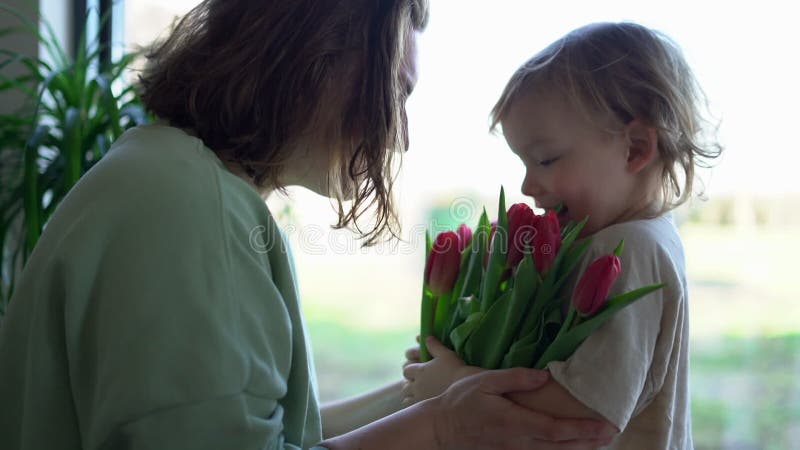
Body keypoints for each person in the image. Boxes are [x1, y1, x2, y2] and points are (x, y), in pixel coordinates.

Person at [0, 1, 617, 449]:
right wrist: (442, 427)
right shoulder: (186, 208)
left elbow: (278, 430)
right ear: (318, 58)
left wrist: (428, 396)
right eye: (396, 93)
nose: (400, 136)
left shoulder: (168, 176)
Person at [401, 22, 722, 449]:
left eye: (546, 159)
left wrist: (455, 385)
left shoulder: (631, 248)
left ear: (635, 149)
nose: (528, 186)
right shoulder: (627, 239)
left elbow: (586, 411)